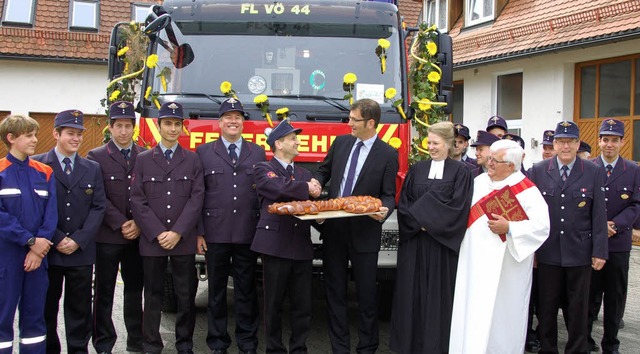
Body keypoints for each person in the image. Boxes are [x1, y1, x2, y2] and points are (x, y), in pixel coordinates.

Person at [311, 98, 398, 353]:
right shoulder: (341, 143)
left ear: (370, 123)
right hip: (334, 232)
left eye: (353, 120)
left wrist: (384, 210)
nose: (348, 123)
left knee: (367, 297)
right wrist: (316, 182)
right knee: (335, 294)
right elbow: (323, 171)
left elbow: (389, 194)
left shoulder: (388, 153)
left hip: (365, 234)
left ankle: (367, 347)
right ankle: (340, 347)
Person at [449, 139, 550, 353]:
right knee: (472, 312)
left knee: (501, 318)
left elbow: (542, 227)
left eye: (496, 160)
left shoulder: (527, 191)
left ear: (511, 166)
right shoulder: (479, 182)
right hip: (473, 263)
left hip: (506, 270)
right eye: (490, 159)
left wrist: (510, 227)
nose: (489, 164)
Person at [389, 121, 473, 354]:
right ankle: (408, 345)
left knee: (438, 297)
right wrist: (421, 222)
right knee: (411, 295)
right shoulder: (417, 170)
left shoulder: (461, 173)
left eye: (436, 143)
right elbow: (404, 204)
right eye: (429, 142)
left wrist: (427, 221)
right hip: (415, 243)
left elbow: (459, 208)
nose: (431, 147)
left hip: (440, 246)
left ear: (449, 144)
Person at [130, 102, 204, 354]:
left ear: (182, 128)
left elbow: (197, 198)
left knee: (186, 295)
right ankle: (151, 344)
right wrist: (158, 232)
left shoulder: (193, 159)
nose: (172, 129)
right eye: (168, 124)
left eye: (177, 124)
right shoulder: (143, 159)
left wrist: (178, 232)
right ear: (159, 126)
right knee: (152, 295)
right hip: (153, 240)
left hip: (181, 239)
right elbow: (137, 200)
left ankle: (184, 344)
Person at [528, 120, 608, 354]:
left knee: (578, 309)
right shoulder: (538, 170)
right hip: (548, 252)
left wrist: (599, 251)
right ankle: (548, 349)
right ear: (554, 144)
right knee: (546, 308)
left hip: (580, 252)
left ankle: (577, 349)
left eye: (570, 142)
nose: (565, 147)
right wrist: (532, 251)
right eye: (561, 142)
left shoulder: (592, 171)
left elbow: (599, 215)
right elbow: (531, 214)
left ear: (577, 144)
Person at [32, 109, 107, 354]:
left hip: (80, 253)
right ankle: (50, 349)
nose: (76, 138)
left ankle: (78, 349)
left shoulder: (92, 168)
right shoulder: (39, 164)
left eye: (79, 134)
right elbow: (36, 208)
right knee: (47, 308)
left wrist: (78, 240)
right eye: (70, 133)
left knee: (79, 310)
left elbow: (98, 207)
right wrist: (57, 237)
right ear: (55, 133)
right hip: (49, 250)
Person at [196, 98, 266, 354]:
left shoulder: (257, 152)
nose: (233, 121)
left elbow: (261, 193)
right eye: (228, 117)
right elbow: (198, 194)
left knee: (246, 291)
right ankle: (218, 343)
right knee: (215, 291)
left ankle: (247, 342)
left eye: (238, 117)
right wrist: (199, 231)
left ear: (244, 123)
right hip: (215, 233)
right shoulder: (204, 152)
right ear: (220, 123)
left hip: (247, 232)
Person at [251, 119, 320, 353]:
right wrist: (305, 188)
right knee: (273, 304)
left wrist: (320, 214)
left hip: (301, 246)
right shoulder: (262, 168)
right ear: (278, 144)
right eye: (292, 139)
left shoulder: (304, 172)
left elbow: (311, 204)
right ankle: (274, 349)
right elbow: (277, 188)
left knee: (302, 305)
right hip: (275, 245)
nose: (297, 142)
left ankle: (299, 348)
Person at [87, 101, 146, 354]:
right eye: (119, 126)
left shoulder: (144, 155)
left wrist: (139, 224)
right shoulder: (96, 156)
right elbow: (98, 198)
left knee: (134, 291)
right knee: (104, 291)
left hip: (137, 237)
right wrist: (122, 223)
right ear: (110, 128)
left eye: (128, 125)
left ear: (133, 127)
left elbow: (149, 195)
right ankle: (103, 342)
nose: (124, 131)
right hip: (108, 236)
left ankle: (136, 340)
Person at [0, 114, 57, 354]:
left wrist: (39, 247)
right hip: (7, 257)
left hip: (38, 257)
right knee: (2, 317)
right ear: (11, 138)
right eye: (29, 135)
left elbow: (51, 214)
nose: (35, 139)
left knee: (34, 318)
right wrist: (30, 241)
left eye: (35, 134)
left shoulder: (45, 172)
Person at [587, 119, 640, 354]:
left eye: (614, 140)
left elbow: (636, 205)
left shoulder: (633, 170)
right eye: (605, 139)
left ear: (622, 142)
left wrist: (615, 225)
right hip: (593, 243)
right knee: (589, 293)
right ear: (599, 141)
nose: (609, 144)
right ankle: (585, 340)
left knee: (615, 296)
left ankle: (611, 344)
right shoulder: (587, 167)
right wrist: (600, 226)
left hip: (618, 243)